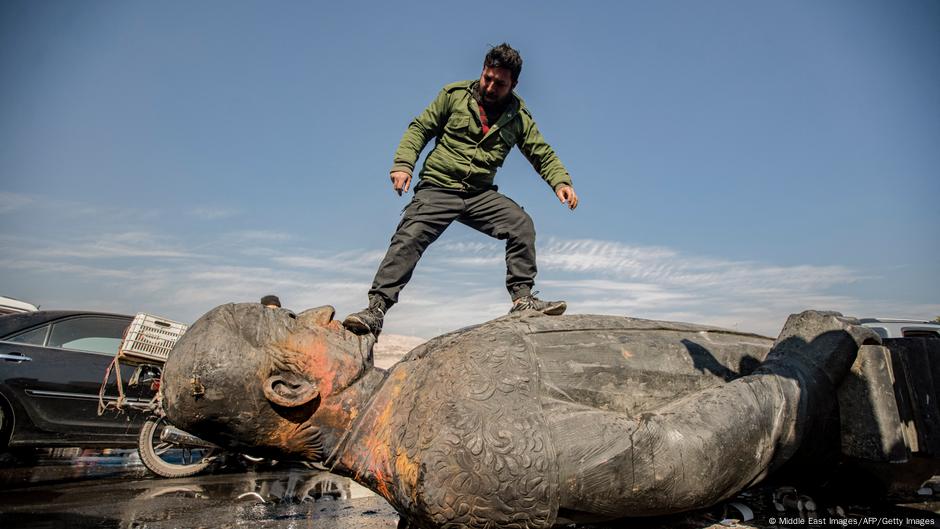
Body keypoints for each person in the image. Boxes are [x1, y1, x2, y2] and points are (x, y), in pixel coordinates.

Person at [344, 43, 579, 337]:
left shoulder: (518, 117)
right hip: (438, 187)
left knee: (521, 224)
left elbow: (541, 153)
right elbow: (420, 128)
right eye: (487, 78)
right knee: (410, 237)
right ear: (482, 72)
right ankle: (376, 309)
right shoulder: (454, 96)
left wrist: (561, 182)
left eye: (500, 83)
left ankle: (522, 299)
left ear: (514, 84)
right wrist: (403, 164)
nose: (491, 86)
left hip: (479, 194)